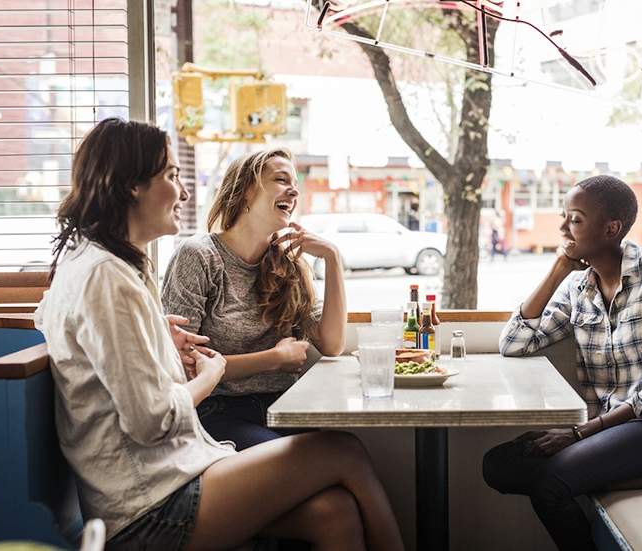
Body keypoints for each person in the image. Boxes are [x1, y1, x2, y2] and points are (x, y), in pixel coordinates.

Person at [35, 118, 404, 551]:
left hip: (175, 473)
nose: (185, 192)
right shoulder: (109, 277)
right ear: (132, 186)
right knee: (343, 450)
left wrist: (156, 337)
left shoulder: (107, 268)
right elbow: (151, 421)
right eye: (172, 176)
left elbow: (73, 333)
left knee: (334, 513)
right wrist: (212, 373)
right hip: (147, 507)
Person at [482, 175, 642, 551]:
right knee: (497, 464)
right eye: (563, 217)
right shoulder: (578, 287)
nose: (563, 227)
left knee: (551, 484)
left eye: (575, 220)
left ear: (611, 228)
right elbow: (514, 343)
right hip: (615, 428)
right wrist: (558, 270)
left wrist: (581, 433)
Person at [161, 148, 345, 450]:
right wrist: (274, 360)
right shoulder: (198, 256)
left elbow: (332, 344)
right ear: (246, 191)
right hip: (218, 412)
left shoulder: (291, 263)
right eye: (281, 179)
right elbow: (185, 366)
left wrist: (332, 258)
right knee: (331, 458)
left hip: (285, 407)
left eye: (295, 183)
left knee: (337, 480)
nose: (294, 190)